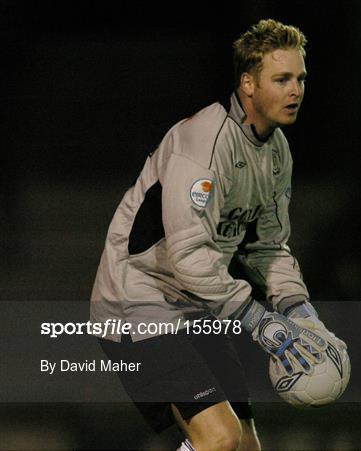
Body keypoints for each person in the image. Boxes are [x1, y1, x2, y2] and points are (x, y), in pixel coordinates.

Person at [91, 19, 343, 451]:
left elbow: (268, 247)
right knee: (220, 440)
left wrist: (299, 309)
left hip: (195, 308)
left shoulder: (277, 152)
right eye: (281, 79)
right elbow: (189, 255)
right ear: (248, 83)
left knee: (245, 447)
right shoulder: (204, 143)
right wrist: (257, 319)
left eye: (300, 78)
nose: (295, 90)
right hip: (138, 302)